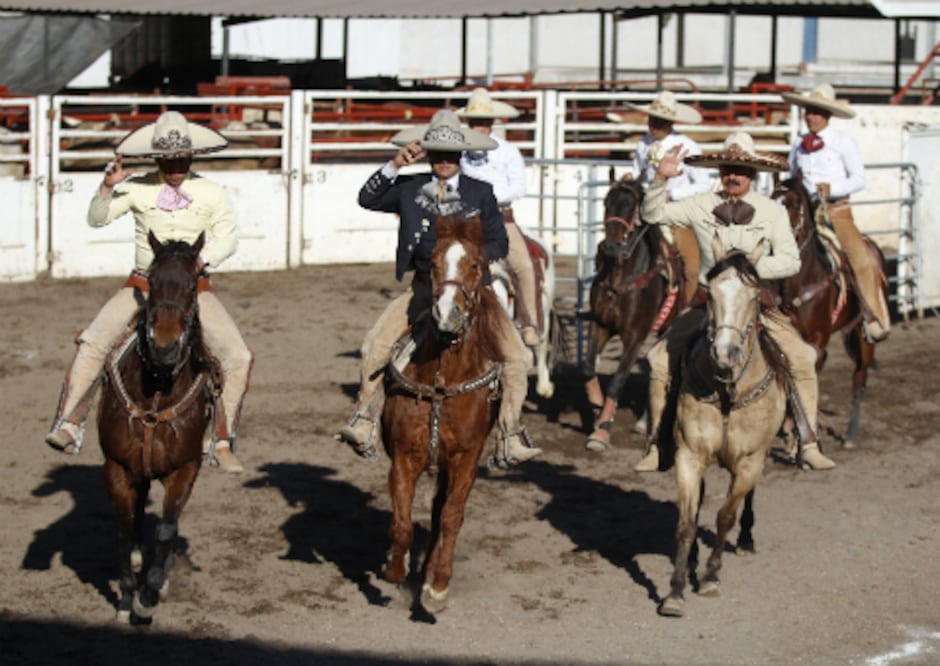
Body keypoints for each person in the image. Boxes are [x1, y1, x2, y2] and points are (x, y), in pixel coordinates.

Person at [44, 111, 252, 474]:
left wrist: (203, 260)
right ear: (157, 158)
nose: (175, 168)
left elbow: (228, 237)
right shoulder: (137, 187)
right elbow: (97, 218)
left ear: (192, 156)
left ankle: (220, 439)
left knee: (239, 356)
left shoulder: (212, 193)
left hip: (194, 288)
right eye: (167, 160)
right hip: (142, 285)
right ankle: (70, 422)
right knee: (94, 340)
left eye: (181, 159)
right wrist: (107, 188)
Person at [335, 109, 542, 467]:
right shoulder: (409, 186)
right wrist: (394, 165)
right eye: (437, 154)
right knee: (375, 344)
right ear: (427, 154)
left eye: (450, 154)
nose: (444, 161)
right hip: (424, 288)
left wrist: (471, 259)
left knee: (517, 358)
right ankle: (365, 419)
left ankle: (509, 434)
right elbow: (367, 199)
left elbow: (499, 242)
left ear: (461, 155)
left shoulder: (481, 191)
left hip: (474, 293)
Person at [635, 131, 836, 472]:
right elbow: (652, 215)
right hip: (708, 303)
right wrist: (659, 179)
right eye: (728, 168)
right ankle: (657, 444)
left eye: (741, 170)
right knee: (658, 360)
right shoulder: (700, 204)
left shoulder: (772, 211)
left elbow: (791, 260)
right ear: (720, 171)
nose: (733, 175)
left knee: (803, 357)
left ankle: (809, 441)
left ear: (752, 174)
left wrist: (749, 271)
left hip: (756, 302)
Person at [781, 83, 889, 342]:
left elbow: (859, 179)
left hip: (836, 212)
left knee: (860, 259)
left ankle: (872, 315)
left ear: (827, 115)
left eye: (816, 112)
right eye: (808, 111)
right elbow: (791, 176)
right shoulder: (798, 144)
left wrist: (833, 189)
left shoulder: (843, 142)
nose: (810, 116)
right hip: (803, 213)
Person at [609, 90, 713, 305]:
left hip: (677, 214)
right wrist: (631, 178)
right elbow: (639, 172)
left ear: (671, 123)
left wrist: (671, 194)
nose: (653, 125)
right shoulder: (643, 144)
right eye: (652, 119)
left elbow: (704, 185)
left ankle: (690, 309)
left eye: (660, 121)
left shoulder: (688, 147)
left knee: (691, 267)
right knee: (616, 240)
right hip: (645, 208)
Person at [456, 87, 540, 348]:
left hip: (500, 219)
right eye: (474, 122)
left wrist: (487, 199)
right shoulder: (459, 152)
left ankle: (529, 323)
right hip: (466, 220)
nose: (478, 127)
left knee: (524, 266)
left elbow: (519, 187)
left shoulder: (507, 151)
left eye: (482, 122)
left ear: (491, 122)